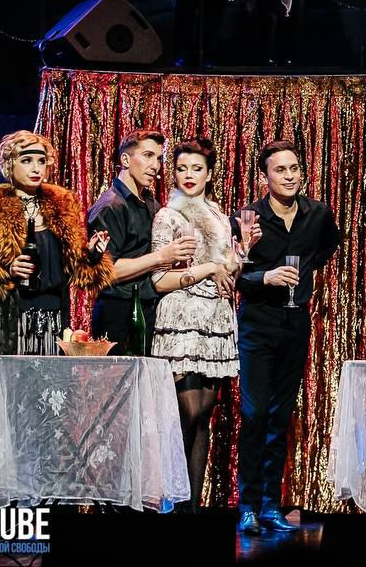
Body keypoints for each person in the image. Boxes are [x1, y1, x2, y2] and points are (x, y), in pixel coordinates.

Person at [0, 131, 113, 459]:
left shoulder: (62, 205)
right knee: (9, 406)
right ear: (8, 164)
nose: (35, 168)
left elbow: (79, 273)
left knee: (46, 407)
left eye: (41, 161)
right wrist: (7, 270)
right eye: (27, 160)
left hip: (50, 321)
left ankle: (42, 477)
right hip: (9, 322)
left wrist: (93, 254)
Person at [233, 140, 341, 535]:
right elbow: (235, 274)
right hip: (258, 323)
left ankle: (269, 505)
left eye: (294, 168)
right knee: (255, 414)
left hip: (296, 323)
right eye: (280, 170)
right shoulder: (248, 217)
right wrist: (267, 276)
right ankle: (247, 504)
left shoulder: (317, 214)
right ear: (265, 176)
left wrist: (305, 274)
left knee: (280, 416)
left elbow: (327, 248)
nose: (290, 176)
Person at [149, 139, 242, 508]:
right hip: (181, 319)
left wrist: (240, 255)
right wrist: (208, 268)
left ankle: (192, 506)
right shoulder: (168, 216)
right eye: (181, 168)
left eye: (196, 168)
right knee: (185, 413)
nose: (188, 175)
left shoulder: (219, 215)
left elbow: (227, 273)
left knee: (203, 416)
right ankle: (169, 500)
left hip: (214, 320)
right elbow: (160, 280)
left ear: (209, 173)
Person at [88, 129, 197, 355]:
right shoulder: (110, 207)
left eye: (158, 158)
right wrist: (162, 257)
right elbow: (109, 271)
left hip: (147, 307)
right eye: (147, 156)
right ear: (125, 160)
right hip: (118, 311)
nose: (155, 166)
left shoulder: (149, 203)